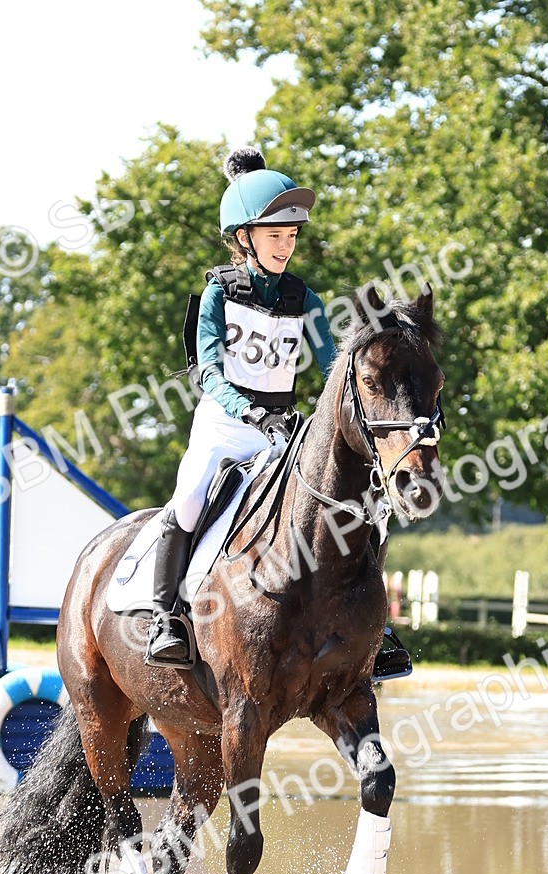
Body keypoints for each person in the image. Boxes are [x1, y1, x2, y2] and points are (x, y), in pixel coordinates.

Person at [145, 146, 411, 680]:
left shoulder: (304, 299)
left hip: (283, 430)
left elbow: (333, 365)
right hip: (225, 424)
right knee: (192, 494)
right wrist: (248, 412)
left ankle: (373, 628)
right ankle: (165, 617)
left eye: (291, 238)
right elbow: (208, 373)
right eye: (275, 236)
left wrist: (374, 356)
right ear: (243, 238)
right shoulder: (217, 294)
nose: (286, 247)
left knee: (359, 506)